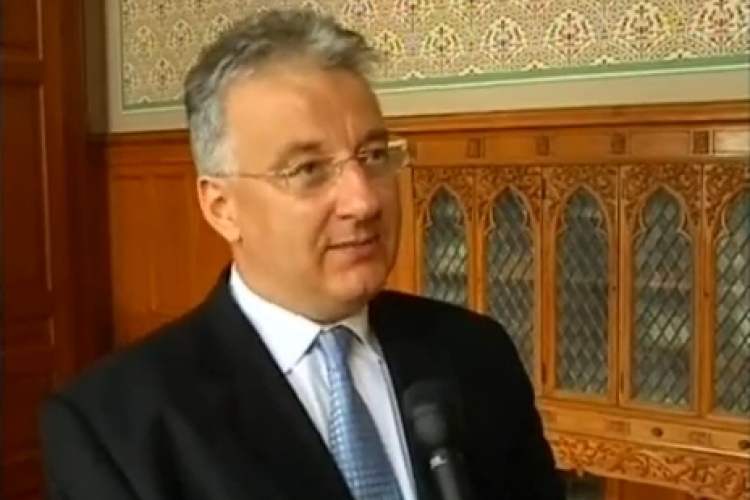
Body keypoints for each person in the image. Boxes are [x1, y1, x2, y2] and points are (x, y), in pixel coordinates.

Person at [39, 8, 565, 500]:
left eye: (373, 156)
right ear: (222, 207)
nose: (363, 201)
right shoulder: (115, 427)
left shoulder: (475, 353)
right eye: (308, 169)